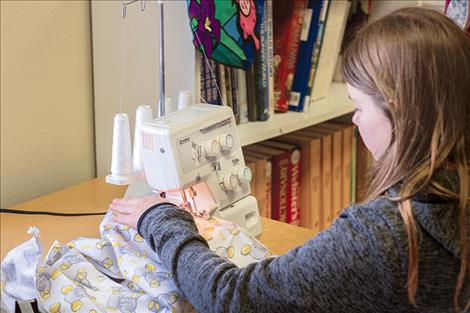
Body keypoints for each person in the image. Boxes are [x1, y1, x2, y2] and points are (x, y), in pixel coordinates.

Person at [110, 7, 470, 313]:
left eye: (360, 107)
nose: (355, 120)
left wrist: (160, 218)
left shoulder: (383, 235)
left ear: (400, 114)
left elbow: (229, 297)